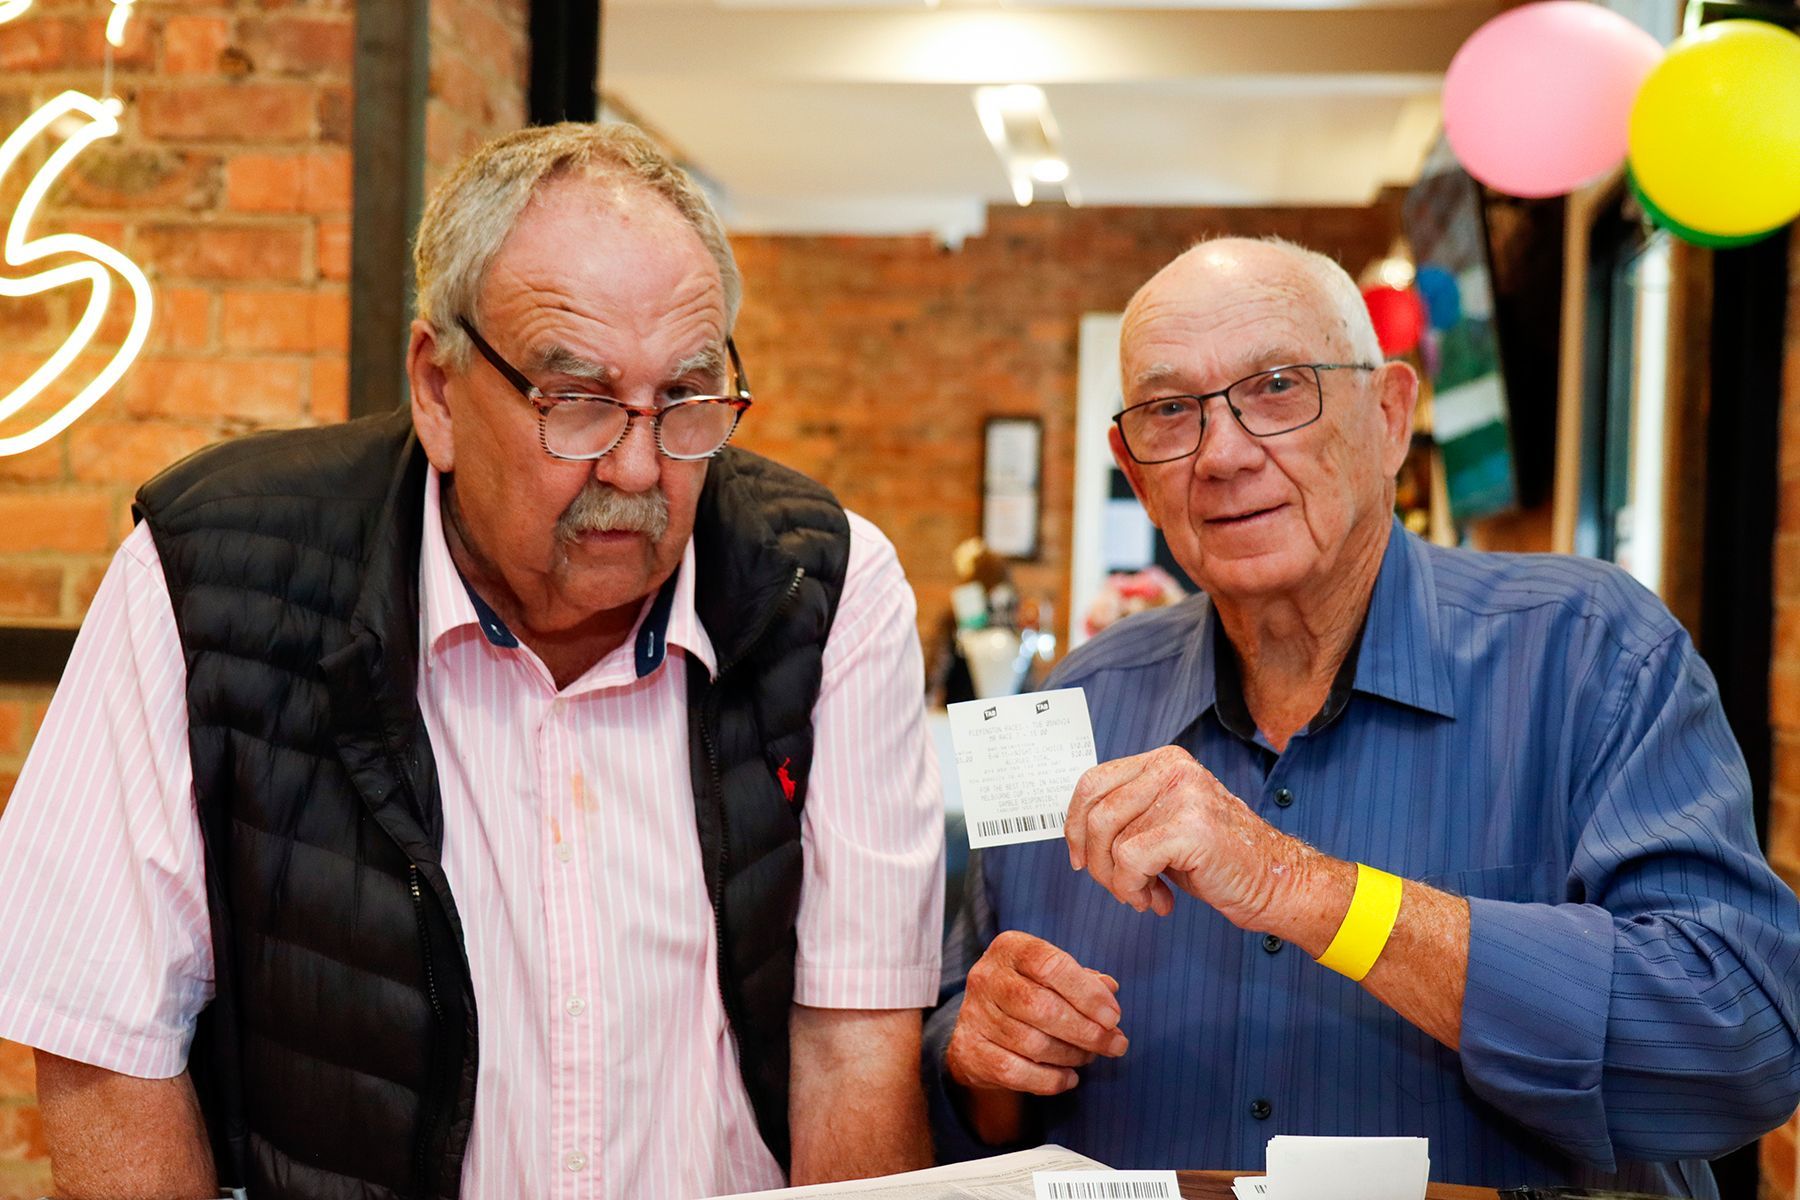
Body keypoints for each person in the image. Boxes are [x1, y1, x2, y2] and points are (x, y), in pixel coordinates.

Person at [0, 123, 944, 1199]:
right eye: (577, 402)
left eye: (686, 399)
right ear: (439, 389)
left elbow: (853, 1040)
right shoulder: (212, 575)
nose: (638, 467)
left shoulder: (818, 587)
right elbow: (103, 1044)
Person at [926, 237, 1800, 1198]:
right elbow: (966, 1092)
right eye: (1171, 412)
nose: (1220, 454)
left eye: (1276, 387)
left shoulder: (1592, 651)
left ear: (1389, 417)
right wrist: (983, 1062)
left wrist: (1296, 885)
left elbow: (1740, 1048)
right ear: (1136, 472)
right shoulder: (1070, 708)